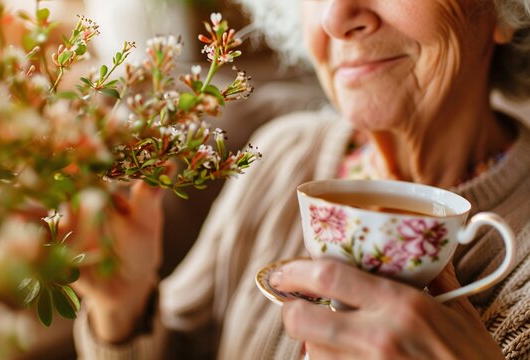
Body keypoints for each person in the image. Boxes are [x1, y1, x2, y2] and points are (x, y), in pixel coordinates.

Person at [73, 0, 530, 359]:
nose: (335, 16)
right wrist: (123, 308)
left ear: (505, 11)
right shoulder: (281, 154)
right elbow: (177, 346)